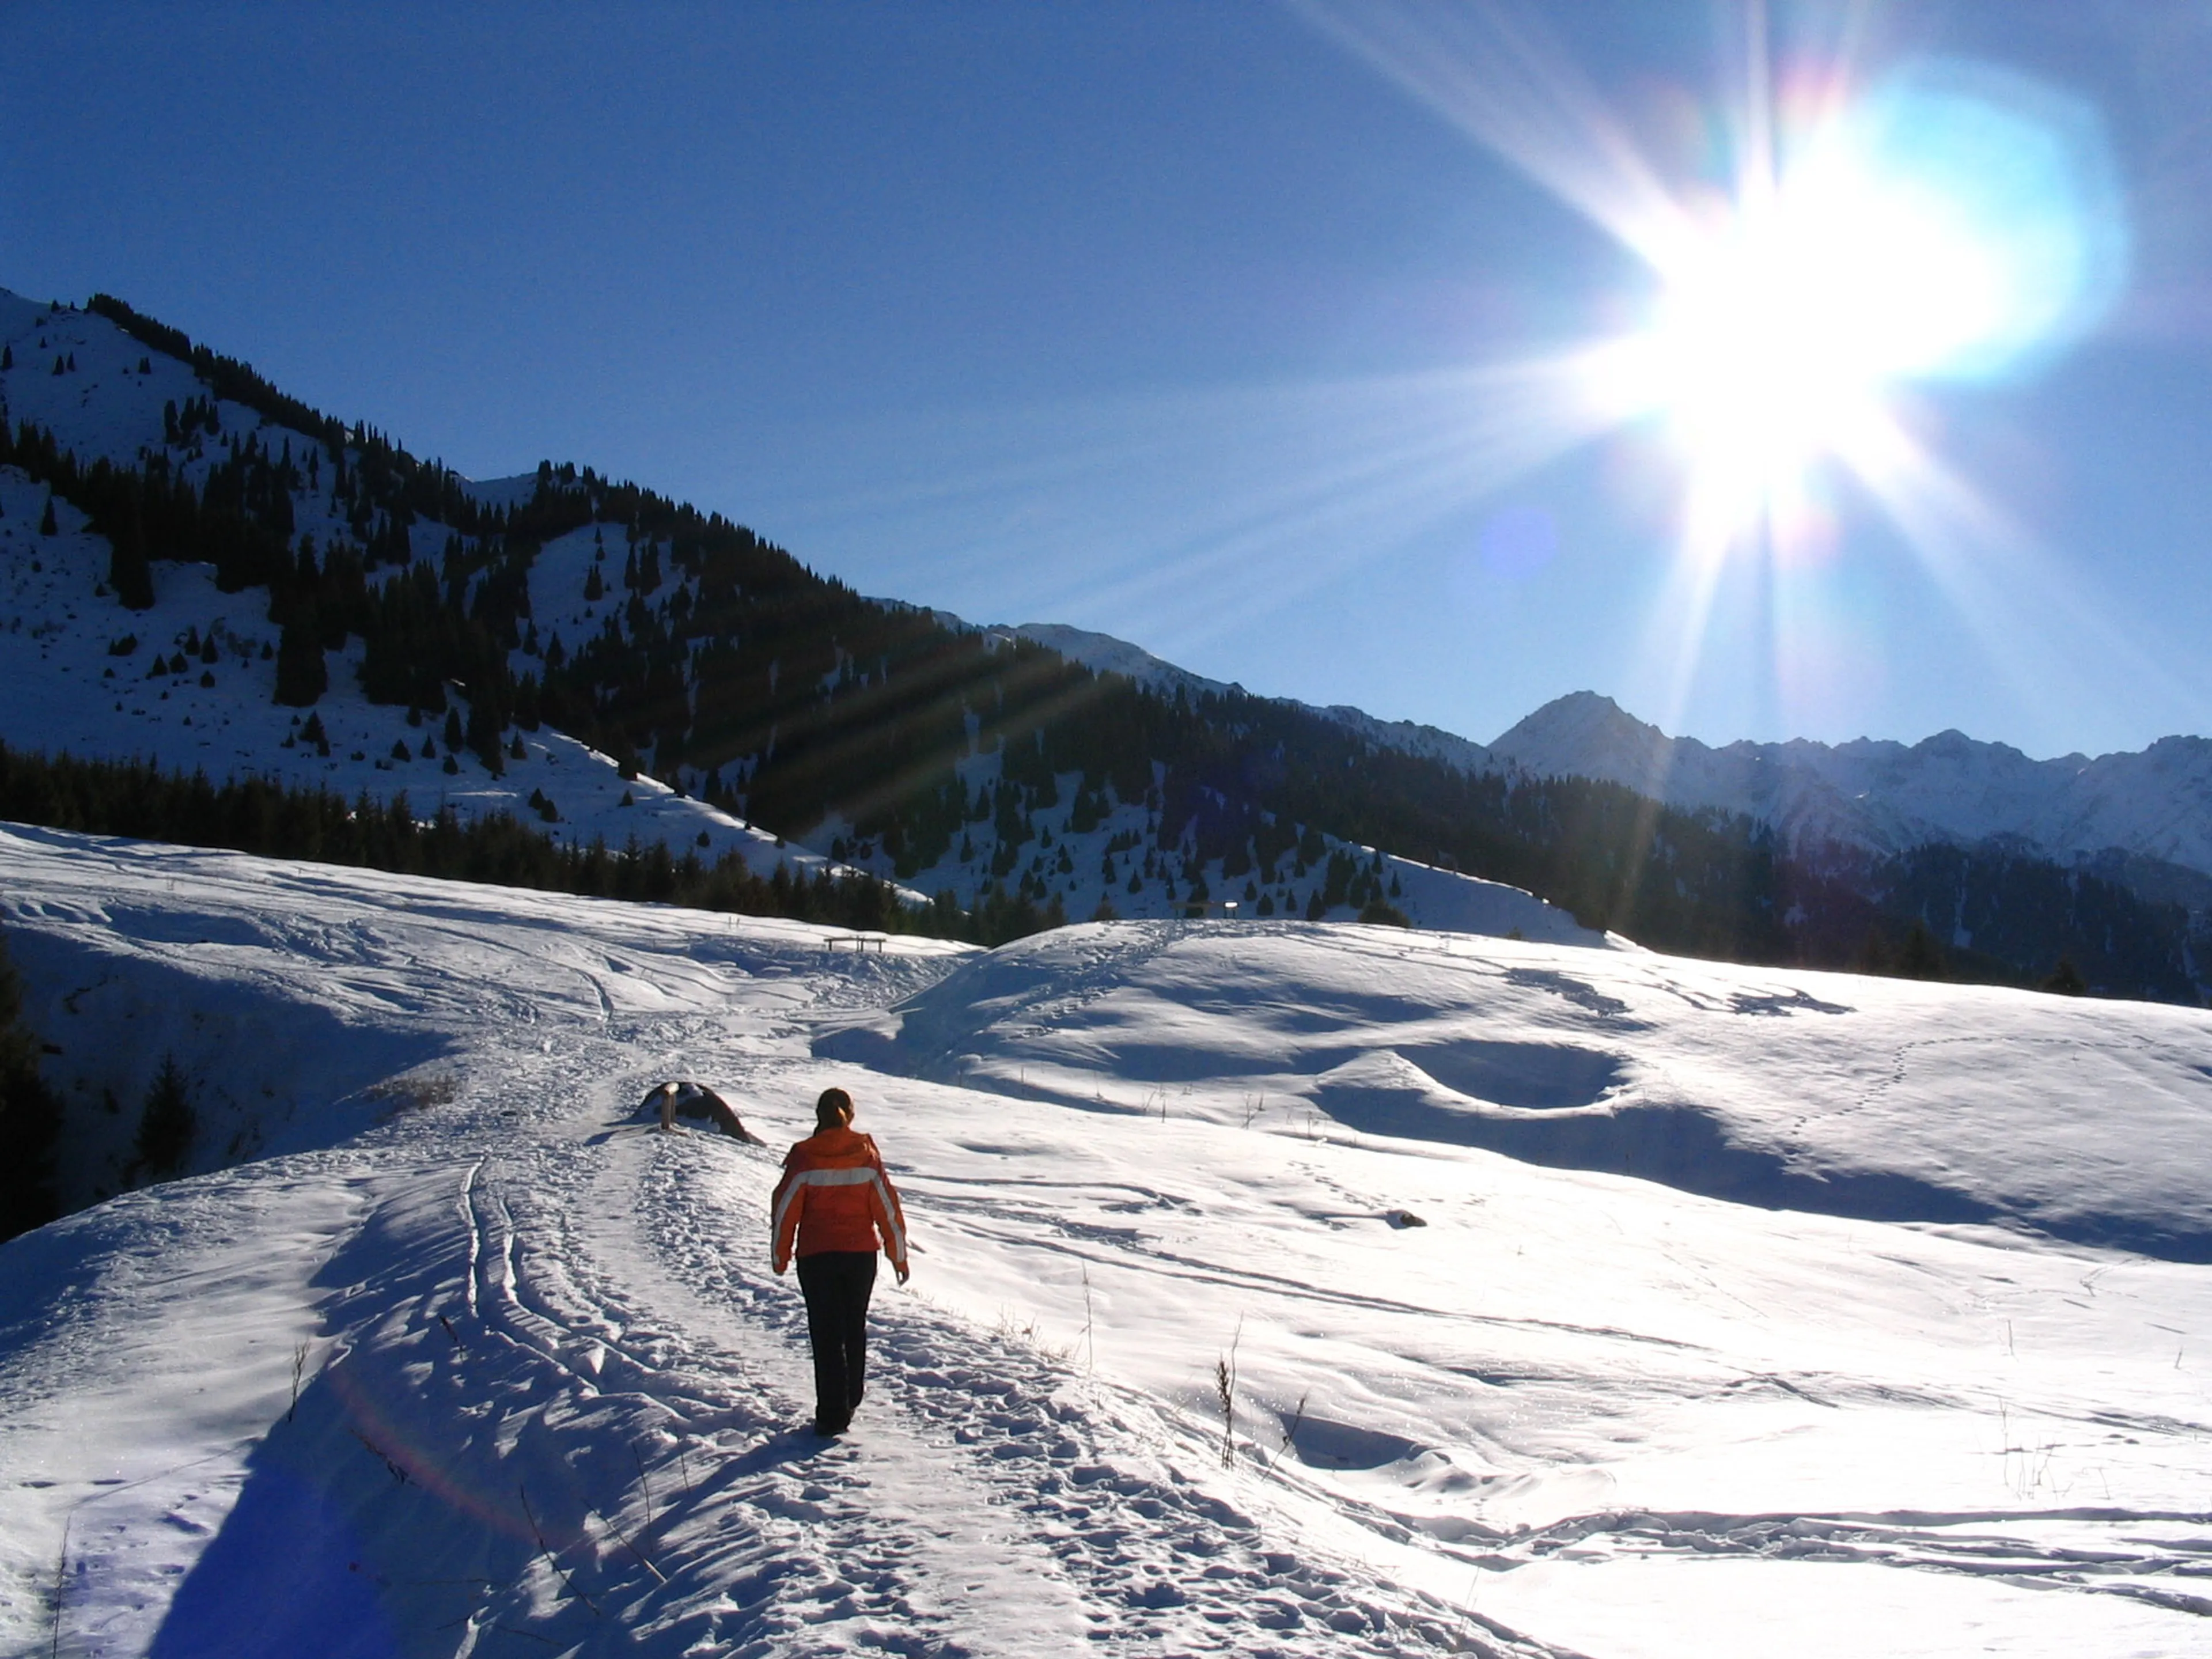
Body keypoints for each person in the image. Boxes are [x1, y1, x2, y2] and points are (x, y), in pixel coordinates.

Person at [771, 1087, 910, 1436]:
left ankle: (832, 1414)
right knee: (853, 1325)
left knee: (826, 1333)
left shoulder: (805, 1156)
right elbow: (886, 1207)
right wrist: (897, 1254)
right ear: (851, 1113)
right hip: (861, 1255)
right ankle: (851, 1396)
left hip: (817, 1257)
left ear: (819, 1116)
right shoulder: (865, 1154)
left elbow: (785, 1208)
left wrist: (780, 1254)